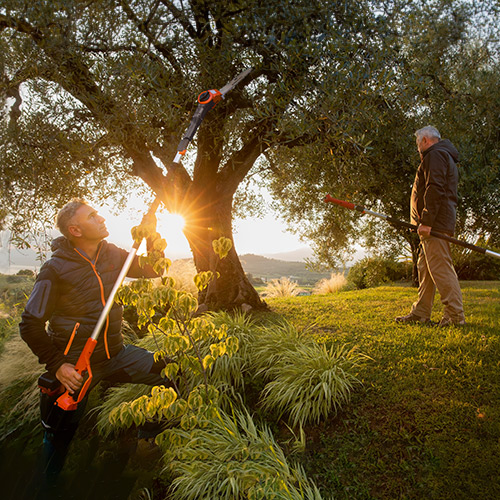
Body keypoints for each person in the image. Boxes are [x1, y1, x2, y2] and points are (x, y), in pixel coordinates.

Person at [19, 198, 172, 493]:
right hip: (75, 365)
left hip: (116, 354)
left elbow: (153, 269)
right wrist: (57, 365)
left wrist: (152, 238)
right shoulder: (55, 270)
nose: (101, 218)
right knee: (57, 439)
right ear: (75, 229)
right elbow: (30, 324)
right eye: (92, 216)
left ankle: (147, 437)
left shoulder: (112, 254)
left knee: (173, 371)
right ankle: (44, 486)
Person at [395, 126, 465, 327]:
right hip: (433, 223)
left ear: (425, 140)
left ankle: (454, 316)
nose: (418, 149)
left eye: (418, 144)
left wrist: (426, 221)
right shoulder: (441, 155)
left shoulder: (435, 155)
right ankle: (421, 312)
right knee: (425, 268)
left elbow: (435, 188)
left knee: (441, 268)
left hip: (434, 224)